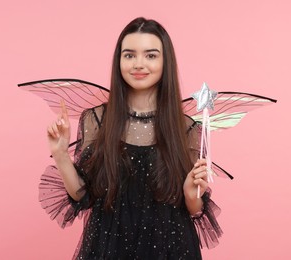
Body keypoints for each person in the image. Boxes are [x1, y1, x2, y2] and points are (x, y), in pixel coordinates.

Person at [42, 17, 222, 259]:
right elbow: (83, 197)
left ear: (165, 61)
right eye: (129, 55)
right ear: (119, 61)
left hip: (170, 248)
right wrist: (61, 154)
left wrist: (192, 194)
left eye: (150, 55)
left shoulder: (187, 128)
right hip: (110, 247)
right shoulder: (97, 119)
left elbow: (193, 208)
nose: (139, 64)